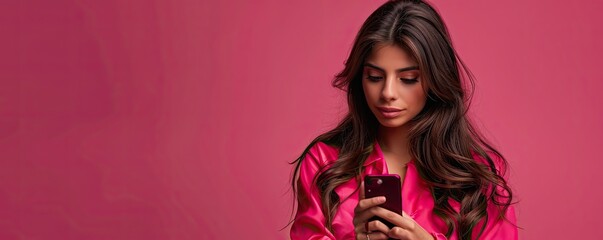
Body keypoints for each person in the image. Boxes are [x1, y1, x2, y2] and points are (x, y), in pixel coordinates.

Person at [288, 0, 518, 239]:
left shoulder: (479, 175)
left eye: (408, 79)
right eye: (375, 76)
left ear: (435, 80)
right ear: (360, 77)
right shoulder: (324, 163)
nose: (388, 92)